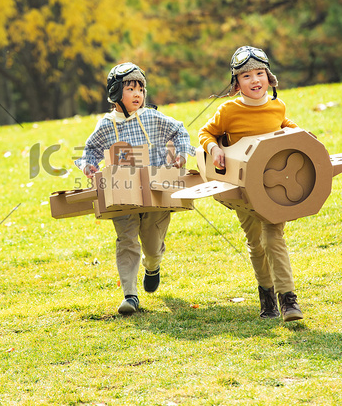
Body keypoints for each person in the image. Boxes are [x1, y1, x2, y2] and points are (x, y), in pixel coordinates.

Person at [76, 62, 194, 315]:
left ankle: (153, 266)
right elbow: (89, 151)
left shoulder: (152, 117)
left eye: (141, 88)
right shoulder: (106, 125)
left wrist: (182, 155)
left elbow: (180, 131)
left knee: (152, 246)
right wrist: (88, 166)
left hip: (155, 192)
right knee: (127, 240)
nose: (138, 94)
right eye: (130, 89)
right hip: (121, 193)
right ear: (116, 93)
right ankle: (130, 295)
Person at [198, 46, 304, 322]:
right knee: (255, 243)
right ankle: (267, 296)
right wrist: (213, 149)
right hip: (241, 188)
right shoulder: (229, 110)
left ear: (269, 78)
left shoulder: (277, 105)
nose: (255, 80)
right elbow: (205, 132)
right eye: (247, 76)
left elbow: (281, 120)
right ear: (236, 84)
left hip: (272, 187)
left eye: (260, 73)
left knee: (273, 236)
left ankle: (288, 300)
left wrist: (296, 131)